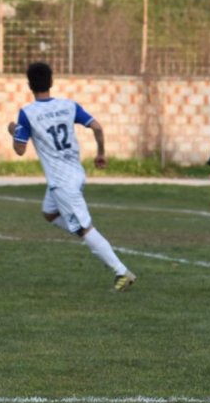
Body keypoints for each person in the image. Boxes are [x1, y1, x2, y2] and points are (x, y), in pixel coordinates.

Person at [8, 62, 136, 292]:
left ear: (29, 85)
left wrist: (13, 130)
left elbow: (19, 149)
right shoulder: (68, 105)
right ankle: (84, 231)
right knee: (49, 213)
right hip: (75, 172)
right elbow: (97, 127)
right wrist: (100, 153)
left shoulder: (27, 113)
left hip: (61, 182)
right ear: (52, 82)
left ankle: (121, 272)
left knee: (85, 228)